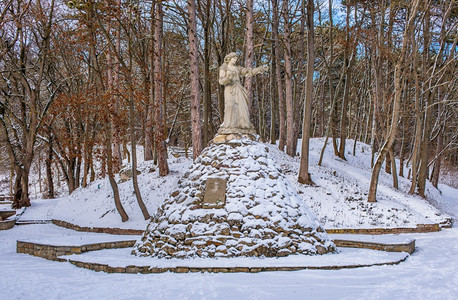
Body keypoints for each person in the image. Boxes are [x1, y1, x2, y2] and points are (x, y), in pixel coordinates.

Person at [218, 52, 268, 135]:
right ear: (229, 58)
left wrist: (260, 69)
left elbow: (249, 72)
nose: (235, 60)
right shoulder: (224, 68)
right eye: (234, 58)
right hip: (229, 89)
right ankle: (229, 126)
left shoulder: (237, 68)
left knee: (242, 107)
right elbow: (221, 81)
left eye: (236, 59)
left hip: (238, 88)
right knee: (230, 106)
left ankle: (243, 125)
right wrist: (228, 78)